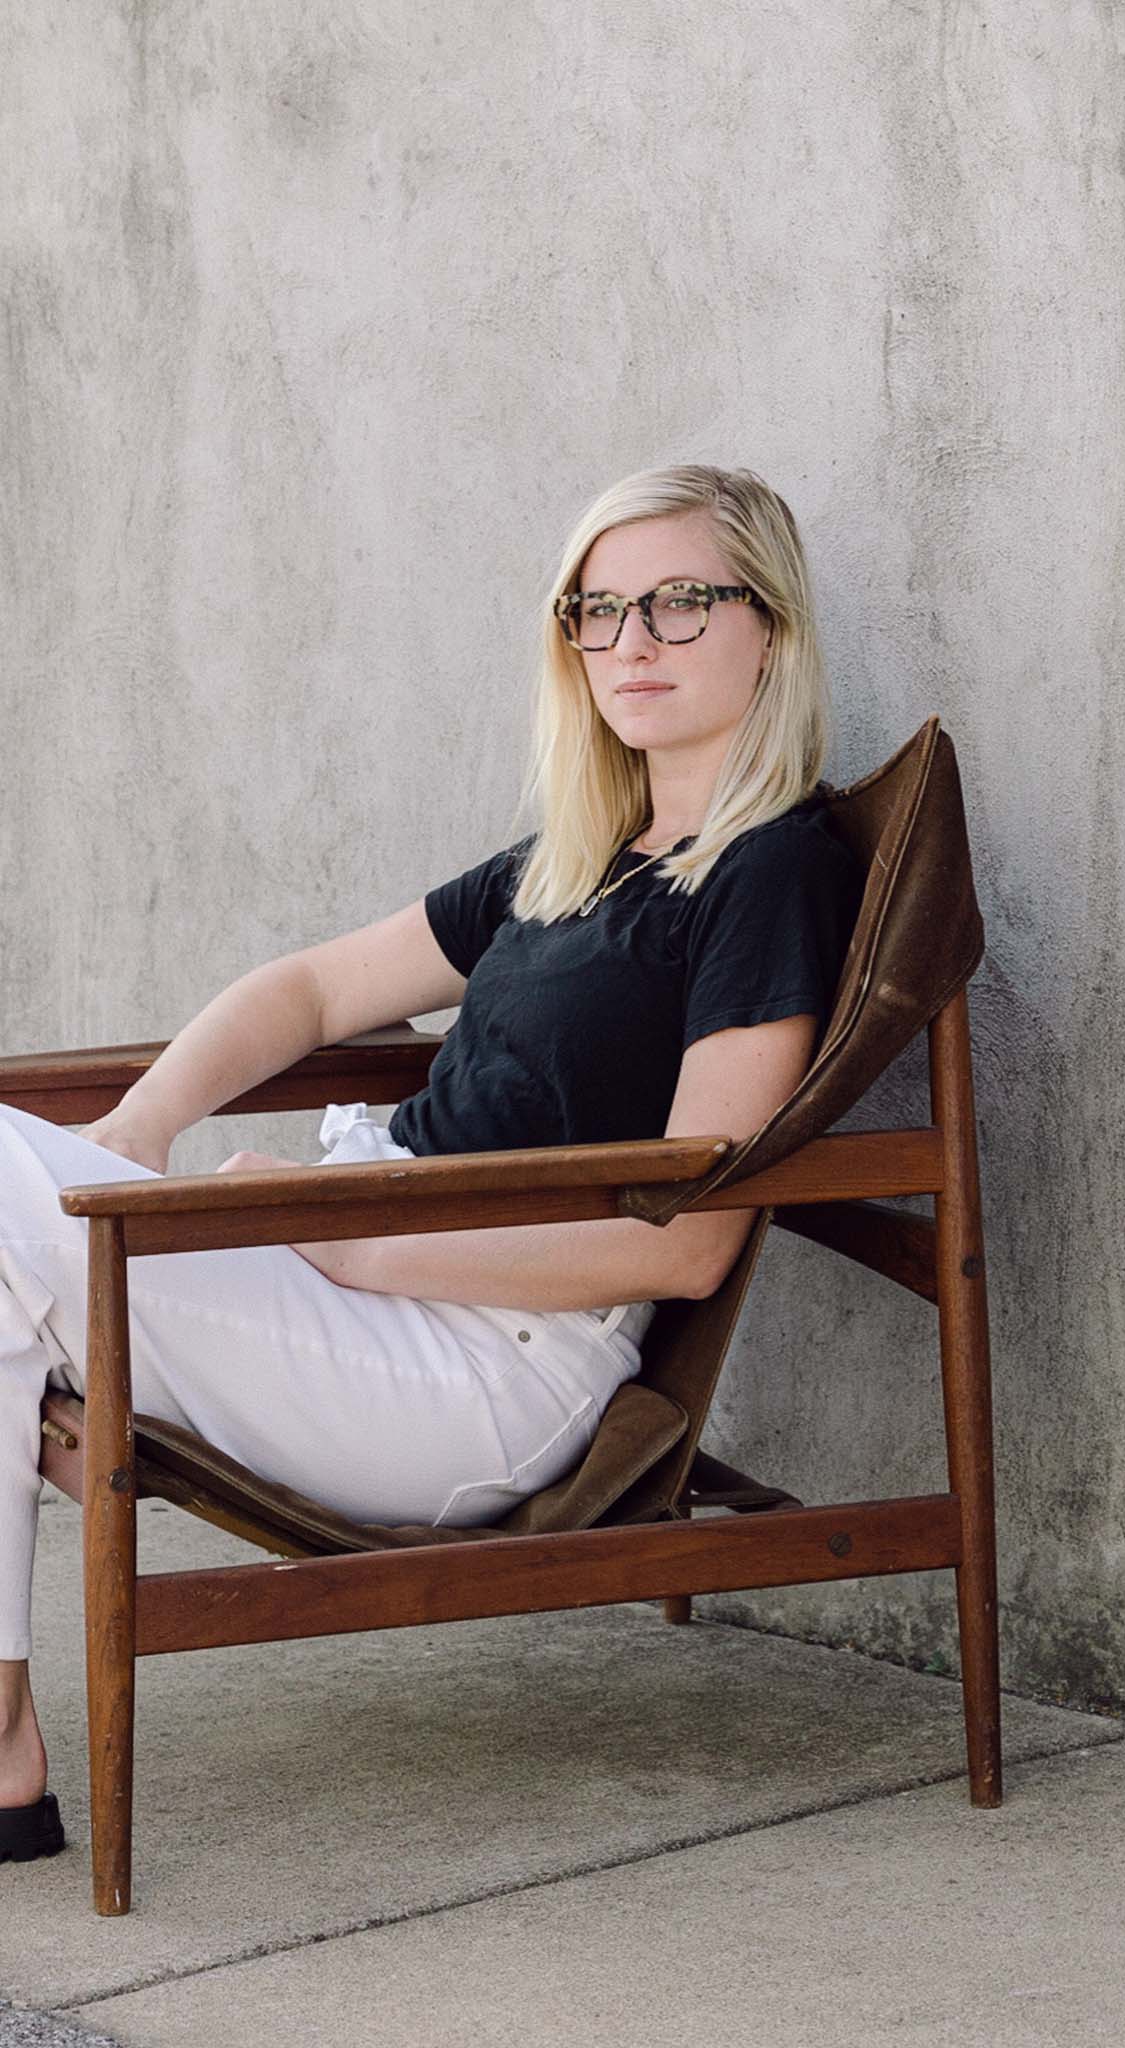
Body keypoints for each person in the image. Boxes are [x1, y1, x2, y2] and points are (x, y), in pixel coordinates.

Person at [0, 463, 865, 1865]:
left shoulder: (766, 874)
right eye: (598, 610)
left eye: (680, 602)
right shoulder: (572, 860)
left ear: (770, 628)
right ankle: (0, 1753)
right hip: (358, 1289)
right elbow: (308, 991)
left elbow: (687, 1240)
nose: (631, 642)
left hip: (484, 1368)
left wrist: (348, 1232)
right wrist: (140, 1131)